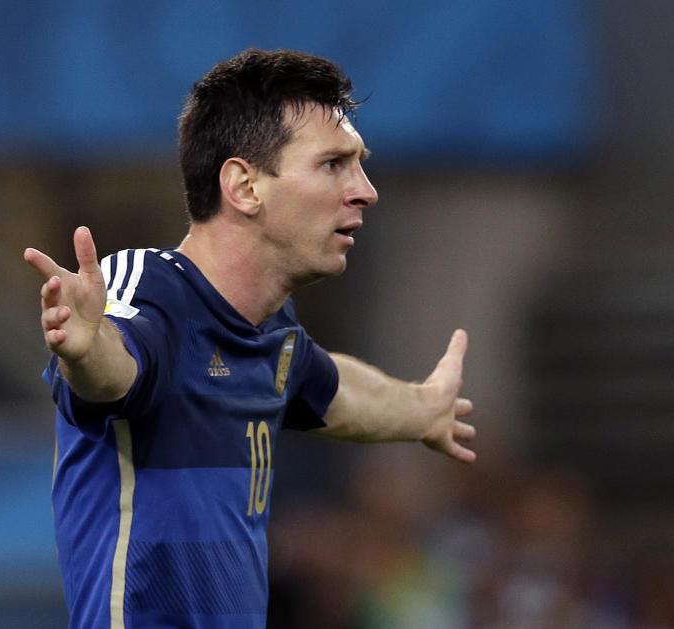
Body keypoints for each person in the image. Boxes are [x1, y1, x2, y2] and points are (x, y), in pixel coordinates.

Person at [23, 48, 477, 629]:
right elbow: (120, 371)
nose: (365, 190)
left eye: (359, 164)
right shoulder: (150, 289)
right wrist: (87, 351)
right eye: (334, 164)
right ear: (244, 187)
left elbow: (339, 394)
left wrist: (422, 410)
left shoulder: (271, 335)